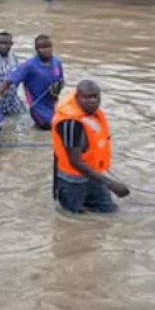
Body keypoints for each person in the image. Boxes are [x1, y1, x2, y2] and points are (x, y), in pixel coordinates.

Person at [52, 81, 130, 214]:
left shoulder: (90, 115)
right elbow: (75, 162)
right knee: (72, 220)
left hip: (93, 175)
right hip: (73, 182)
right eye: (87, 97)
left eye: (95, 97)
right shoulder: (71, 123)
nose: (92, 101)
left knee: (110, 212)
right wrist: (111, 184)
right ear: (77, 98)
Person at [0, 34, 64, 129]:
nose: (46, 50)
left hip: (53, 103)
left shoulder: (56, 62)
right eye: (42, 47)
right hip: (37, 107)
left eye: (48, 47)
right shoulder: (29, 66)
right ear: (36, 49)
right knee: (52, 126)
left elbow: (61, 82)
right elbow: (7, 82)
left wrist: (58, 88)